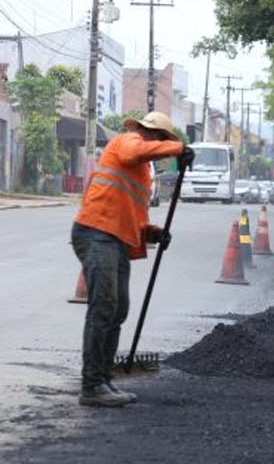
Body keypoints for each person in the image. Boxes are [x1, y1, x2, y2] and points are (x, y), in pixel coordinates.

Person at [71, 111, 193, 407]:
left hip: (116, 239)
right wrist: (178, 149)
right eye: (162, 140)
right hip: (97, 232)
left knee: (118, 309)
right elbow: (134, 150)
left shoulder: (142, 171)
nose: (162, 147)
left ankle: (103, 379)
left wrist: (153, 233)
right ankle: (92, 386)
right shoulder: (128, 141)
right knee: (104, 307)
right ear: (152, 134)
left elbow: (134, 215)